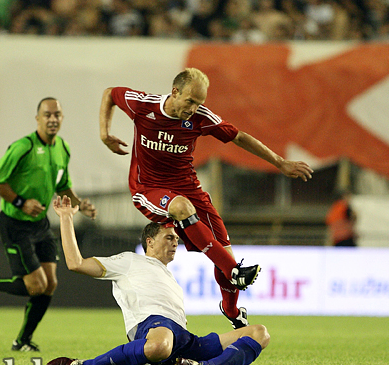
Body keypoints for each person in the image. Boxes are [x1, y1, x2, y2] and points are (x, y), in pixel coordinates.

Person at [99, 67, 313, 329]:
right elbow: (110, 93)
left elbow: (239, 137)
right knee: (184, 210)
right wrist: (104, 133)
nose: (193, 108)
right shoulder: (143, 105)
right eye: (190, 101)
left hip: (189, 189)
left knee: (226, 254)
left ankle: (232, 310)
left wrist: (280, 162)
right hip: (148, 188)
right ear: (175, 92)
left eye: (199, 102)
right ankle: (234, 270)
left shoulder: (201, 117)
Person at [46, 195, 270, 365]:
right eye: (169, 238)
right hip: (151, 327)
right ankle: (83, 364)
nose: (175, 243)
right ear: (150, 242)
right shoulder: (129, 261)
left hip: (182, 339)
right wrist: (66, 218)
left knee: (259, 333)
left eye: (176, 239)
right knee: (159, 344)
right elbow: (75, 263)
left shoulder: (169, 276)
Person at [0, 97, 97, 352]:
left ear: (62, 118)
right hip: (15, 223)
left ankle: (22, 341)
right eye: (47, 114)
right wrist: (20, 202)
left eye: (57, 115)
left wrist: (80, 204)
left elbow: (63, 185)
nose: (53, 119)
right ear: (37, 118)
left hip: (40, 224)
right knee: (35, 285)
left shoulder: (62, 147)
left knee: (50, 284)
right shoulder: (23, 147)